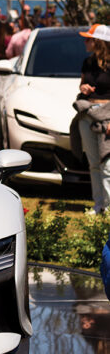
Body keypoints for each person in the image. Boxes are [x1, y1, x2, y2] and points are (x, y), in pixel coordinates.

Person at [72, 24, 110, 213]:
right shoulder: (87, 62)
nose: (85, 42)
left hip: (107, 117)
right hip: (88, 114)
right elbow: (82, 84)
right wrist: (84, 89)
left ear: (98, 42)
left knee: (107, 165)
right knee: (94, 163)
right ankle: (99, 206)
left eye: (88, 38)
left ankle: (109, 207)